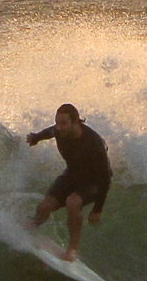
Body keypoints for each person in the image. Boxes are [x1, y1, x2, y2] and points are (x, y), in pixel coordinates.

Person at [27, 103, 112, 261]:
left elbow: (105, 178)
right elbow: (49, 132)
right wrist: (36, 138)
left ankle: (72, 249)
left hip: (93, 181)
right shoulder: (59, 131)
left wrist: (97, 209)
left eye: (64, 123)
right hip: (72, 175)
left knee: (73, 202)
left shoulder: (93, 143)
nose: (59, 127)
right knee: (45, 206)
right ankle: (31, 227)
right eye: (57, 123)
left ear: (76, 122)